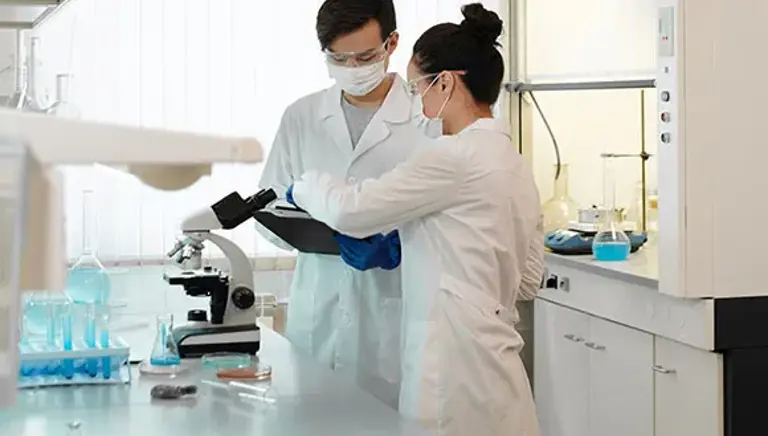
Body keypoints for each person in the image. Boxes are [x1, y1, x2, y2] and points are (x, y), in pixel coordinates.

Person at [286, 4, 542, 435]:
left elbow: (352, 210)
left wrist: (304, 186)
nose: (416, 97)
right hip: (498, 369)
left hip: (451, 376)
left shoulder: (453, 157)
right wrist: (420, 244)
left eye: (418, 85)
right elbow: (530, 277)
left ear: (445, 83)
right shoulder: (511, 161)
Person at [257, 0, 435, 409]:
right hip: (316, 315)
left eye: (366, 56)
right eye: (339, 58)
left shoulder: (426, 117)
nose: (353, 68)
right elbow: (267, 211)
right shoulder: (301, 117)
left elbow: (450, 221)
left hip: (393, 315)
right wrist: (316, 233)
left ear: (392, 43)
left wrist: (397, 246)